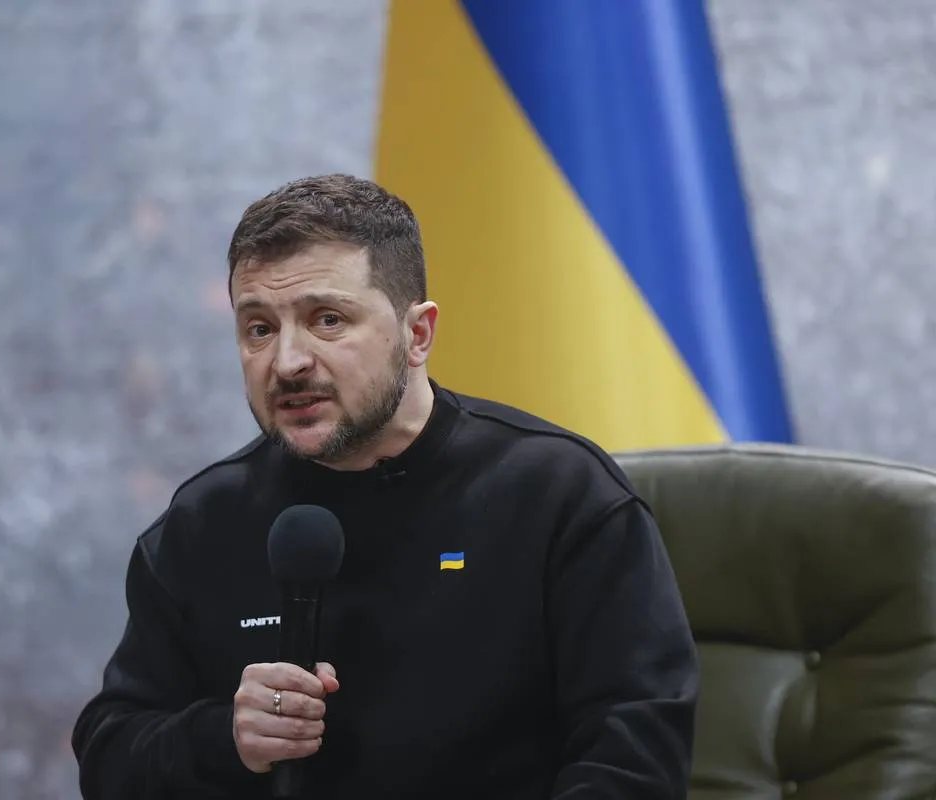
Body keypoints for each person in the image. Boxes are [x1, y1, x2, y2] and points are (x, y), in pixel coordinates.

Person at [71, 174, 699, 799]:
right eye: (259, 328)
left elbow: (634, 762)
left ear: (417, 334)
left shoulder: (560, 495)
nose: (287, 362)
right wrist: (223, 738)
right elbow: (110, 755)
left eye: (327, 320)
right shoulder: (204, 521)